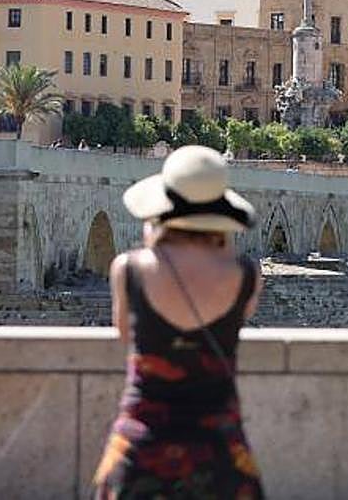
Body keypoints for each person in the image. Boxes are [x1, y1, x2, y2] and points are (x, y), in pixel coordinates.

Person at [93, 145, 266, 498]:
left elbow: (126, 334)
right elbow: (236, 318)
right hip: (219, 447)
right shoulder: (246, 275)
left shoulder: (129, 269)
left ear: (161, 207)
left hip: (142, 443)